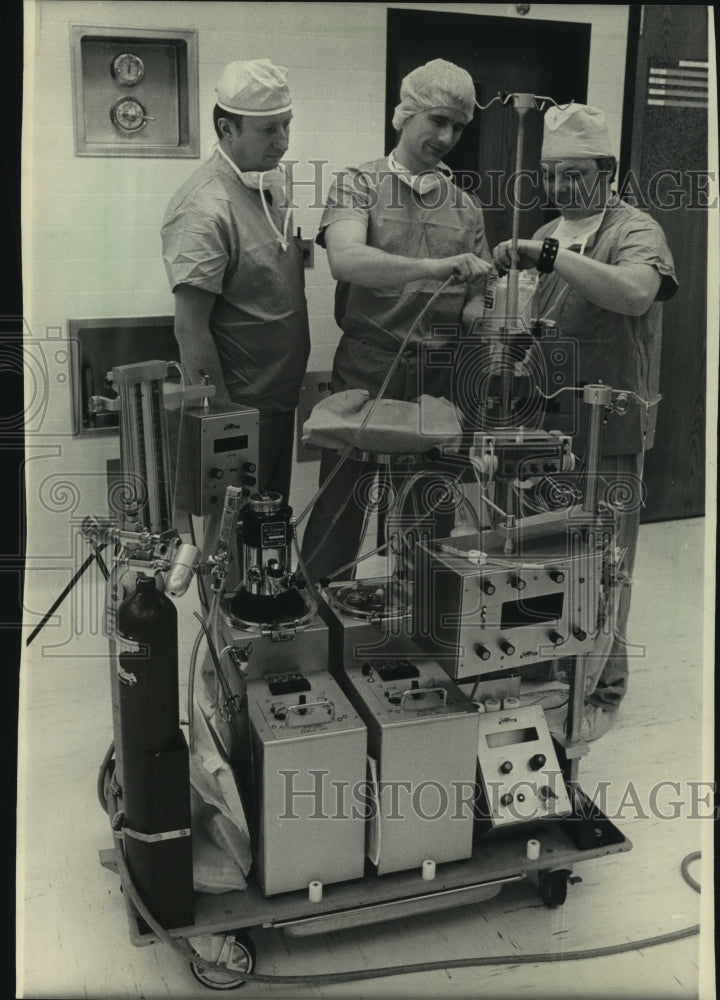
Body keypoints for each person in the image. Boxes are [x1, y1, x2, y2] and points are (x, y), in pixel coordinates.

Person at [492, 103, 678, 740]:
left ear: (608, 171)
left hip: (610, 425)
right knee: (555, 555)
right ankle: (555, 676)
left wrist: (546, 257)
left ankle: (602, 687)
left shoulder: (635, 230)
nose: (561, 186)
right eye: (550, 173)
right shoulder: (549, 233)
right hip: (550, 431)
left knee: (607, 560)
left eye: (575, 173)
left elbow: (632, 293)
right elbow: (542, 329)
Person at [300, 58, 493, 583]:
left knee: (429, 508)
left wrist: (487, 316)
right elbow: (347, 259)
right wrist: (434, 268)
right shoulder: (358, 185)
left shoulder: (466, 208)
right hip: (369, 367)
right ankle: (321, 615)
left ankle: (421, 618)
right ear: (404, 115)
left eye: (457, 126)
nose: (447, 136)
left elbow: (476, 298)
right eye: (437, 121)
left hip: (438, 373)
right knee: (340, 502)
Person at [162, 59, 310, 503]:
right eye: (269, 130)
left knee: (266, 536)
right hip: (241, 407)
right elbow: (189, 327)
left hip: (278, 401)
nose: (283, 142)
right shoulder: (205, 207)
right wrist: (227, 423)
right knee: (231, 545)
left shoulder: (262, 185)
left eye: (286, 126)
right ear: (227, 129)